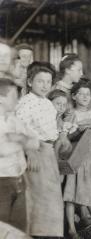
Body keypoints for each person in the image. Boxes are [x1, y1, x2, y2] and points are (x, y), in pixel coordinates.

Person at [15, 62, 65, 237]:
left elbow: (50, 127)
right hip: (36, 152)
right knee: (40, 199)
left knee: (52, 198)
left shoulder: (47, 102)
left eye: (48, 81)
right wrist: (30, 152)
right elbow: (19, 129)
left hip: (48, 152)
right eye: (40, 81)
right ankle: (38, 234)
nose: (45, 85)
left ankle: (49, 233)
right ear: (29, 82)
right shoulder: (26, 103)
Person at [63, 81, 91, 238]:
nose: (84, 97)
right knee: (71, 193)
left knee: (89, 190)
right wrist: (77, 131)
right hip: (77, 157)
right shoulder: (71, 114)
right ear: (74, 96)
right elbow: (66, 138)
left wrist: (90, 124)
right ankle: (71, 229)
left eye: (87, 94)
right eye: (80, 94)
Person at [0, 79, 39, 232]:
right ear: (1, 98)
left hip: (19, 179)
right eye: (14, 97)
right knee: (2, 227)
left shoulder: (15, 121)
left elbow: (35, 142)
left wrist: (19, 138)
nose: (18, 100)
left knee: (20, 227)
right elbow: (2, 150)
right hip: (2, 182)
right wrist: (22, 141)